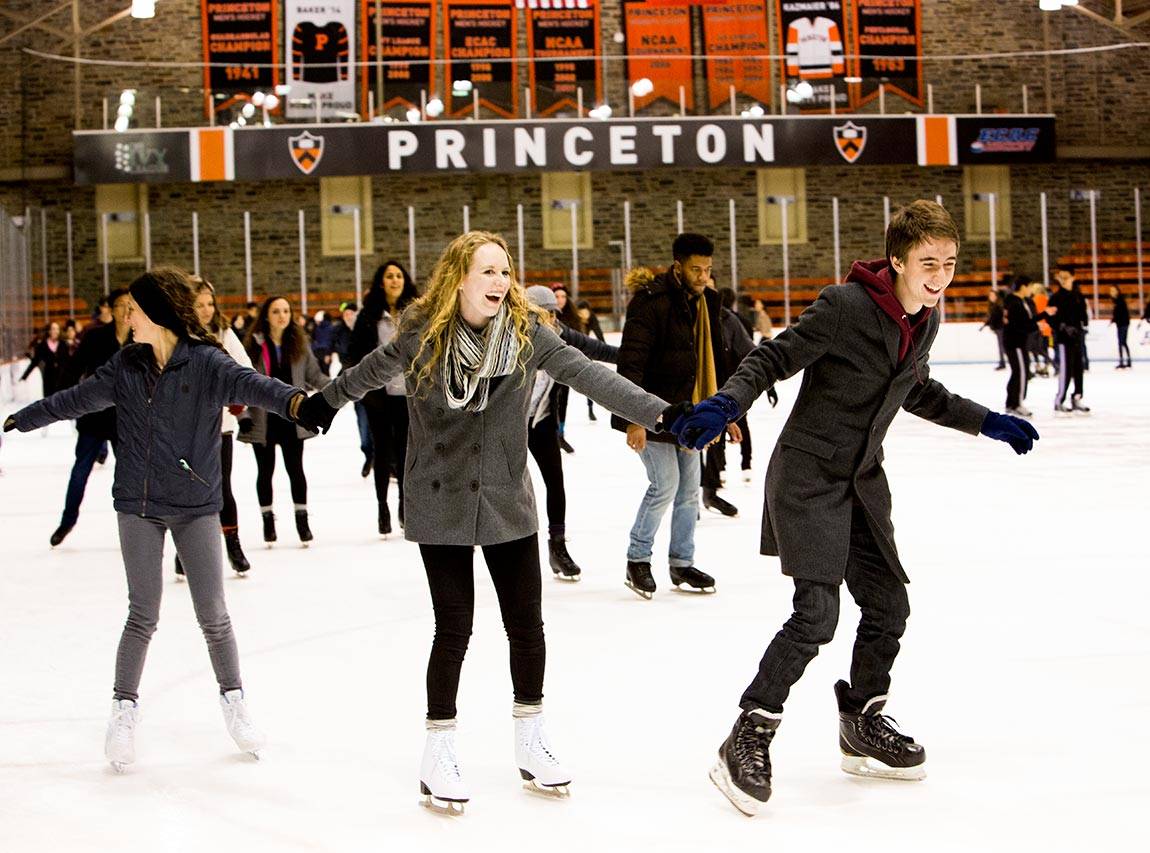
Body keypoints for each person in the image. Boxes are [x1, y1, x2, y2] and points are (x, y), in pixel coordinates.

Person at [670, 201, 1040, 816]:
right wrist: (727, 404)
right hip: (810, 476)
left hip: (862, 481)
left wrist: (988, 423)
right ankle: (748, 734)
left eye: (950, 263)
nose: (941, 274)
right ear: (897, 260)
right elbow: (772, 357)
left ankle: (862, 721)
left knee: (890, 603)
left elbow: (916, 389)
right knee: (816, 615)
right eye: (928, 262)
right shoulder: (844, 308)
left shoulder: (927, 316)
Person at [295, 231, 682, 814]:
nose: (501, 282)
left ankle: (531, 739)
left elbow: (593, 377)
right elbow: (365, 373)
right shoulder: (421, 335)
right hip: (439, 498)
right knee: (454, 627)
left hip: (506, 496)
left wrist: (665, 415)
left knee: (526, 625)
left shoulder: (528, 336)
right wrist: (322, 403)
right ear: (460, 279)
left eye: (505, 271)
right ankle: (439, 748)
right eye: (488, 272)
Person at [3, 267, 309, 772]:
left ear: (158, 313)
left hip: (195, 505)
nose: (127, 316)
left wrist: (296, 402)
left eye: (135, 309)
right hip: (138, 505)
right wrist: (27, 416)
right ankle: (124, 708)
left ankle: (234, 703)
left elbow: (255, 385)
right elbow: (77, 400)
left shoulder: (208, 363)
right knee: (142, 612)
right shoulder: (125, 365)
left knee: (213, 613)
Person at [612, 232, 738, 599]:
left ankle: (682, 563)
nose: (702, 276)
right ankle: (638, 559)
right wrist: (633, 418)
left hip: (694, 411)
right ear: (678, 267)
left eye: (708, 269)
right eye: (695, 269)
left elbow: (715, 357)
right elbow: (631, 361)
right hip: (654, 412)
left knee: (687, 492)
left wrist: (723, 411)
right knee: (664, 486)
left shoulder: (708, 302)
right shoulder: (650, 302)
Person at [525, 284, 621, 580]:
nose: (550, 320)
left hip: (541, 421)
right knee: (507, 488)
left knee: (556, 481)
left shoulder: (562, 335)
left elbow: (600, 350)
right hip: (507, 425)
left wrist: (641, 355)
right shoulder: (511, 338)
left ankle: (557, 546)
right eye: (543, 314)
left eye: (554, 313)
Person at [173, 276, 256, 577]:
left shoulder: (223, 332)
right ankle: (185, 552)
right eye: (199, 304)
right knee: (190, 488)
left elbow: (244, 368)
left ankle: (233, 545)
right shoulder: (176, 336)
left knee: (222, 487)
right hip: (185, 427)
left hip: (220, 426)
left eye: (210, 303)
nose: (206, 310)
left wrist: (235, 398)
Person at [241, 296, 330, 546]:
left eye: (286, 311)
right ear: (266, 316)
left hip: (293, 419)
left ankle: (302, 521)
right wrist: (244, 415)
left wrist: (341, 389)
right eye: (276, 311)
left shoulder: (299, 346)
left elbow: (314, 376)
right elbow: (242, 382)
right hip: (263, 420)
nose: (282, 315)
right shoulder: (255, 346)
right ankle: (268, 521)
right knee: (265, 471)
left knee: (296, 469)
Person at [48, 287, 133, 547]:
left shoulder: (141, 339)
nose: (126, 310)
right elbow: (73, 369)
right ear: (109, 308)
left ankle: (134, 526)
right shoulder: (95, 337)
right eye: (120, 305)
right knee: (81, 470)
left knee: (130, 474)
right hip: (94, 416)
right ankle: (67, 521)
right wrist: (60, 402)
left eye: (131, 305)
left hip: (126, 420)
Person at [348, 261, 419, 535]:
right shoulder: (368, 316)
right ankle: (382, 507)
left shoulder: (415, 314)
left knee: (405, 453)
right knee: (381, 451)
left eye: (399, 276)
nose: (395, 280)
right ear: (381, 282)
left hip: (407, 395)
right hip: (378, 397)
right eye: (389, 276)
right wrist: (363, 390)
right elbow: (354, 355)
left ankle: (403, 505)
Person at [332, 300, 374, 477]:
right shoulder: (341, 332)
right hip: (357, 387)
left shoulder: (366, 330)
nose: (348, 316)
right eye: (345, 314)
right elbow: (346, 357)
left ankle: (386, 463)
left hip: (376, 384)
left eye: (351, 313)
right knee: (363, 426)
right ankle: (368, 454)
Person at [1002, 276, 1054, 417]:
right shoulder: (1015, 303)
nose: (1031, 290)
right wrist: (1036, 325)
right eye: (1030, 286)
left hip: (1018, 342)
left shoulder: (1019, 301)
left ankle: (1011, 403)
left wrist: (1043, 315)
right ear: (1023, 287)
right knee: (1021, 373)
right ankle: (1017, 404)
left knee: (1019, 372)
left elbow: (1025, 321)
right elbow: (1019, 325)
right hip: (1015, 343)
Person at [1049, 266, 1090, 414]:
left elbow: (1084, 315)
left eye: (1066, 276)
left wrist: (1083, 325)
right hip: (1063, 340)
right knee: (1066, 370)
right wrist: (1062, 326)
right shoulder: (1056, 297)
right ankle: (1059, 400)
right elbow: (1050, 318)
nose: (1063, 280)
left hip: (1077, 338)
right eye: (1061, 277)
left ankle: (1077, 397)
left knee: (1079, 369)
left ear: (1073, 277)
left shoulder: (1078, 295)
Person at [551, 284, 580, 453]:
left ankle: (560, 434)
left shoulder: (572, 319)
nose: (560, 300)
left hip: (567, 366)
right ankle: (553, 435)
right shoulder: (548, 317)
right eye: (557, 297)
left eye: (563, 297)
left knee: (563, 402)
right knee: (552, 402)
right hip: (550, 368)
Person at [21, 321, 71, 398]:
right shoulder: (42, 345)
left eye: (57, 329)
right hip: (49, 377)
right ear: (49, 331)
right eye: (53, 329)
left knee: (61, 400)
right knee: (49, 399)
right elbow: (35, 361)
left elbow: (69, 360)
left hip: (61, 377)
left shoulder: (63, 344)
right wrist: (25, 376)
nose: (55, 331)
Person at [574, 299, 605, 421]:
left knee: (588, 380)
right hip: (570, 348)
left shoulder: (591, 318)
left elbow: (599, 333)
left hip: (585, 350)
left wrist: (603, 349)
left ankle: (590, 409)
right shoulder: (573, 318)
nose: (584, 316)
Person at [981, 287, 1007, 369]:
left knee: (1002, 346)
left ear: (996, 296)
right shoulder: (993, 306)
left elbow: (996, 318)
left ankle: (1003, 362)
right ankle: (1002, 362)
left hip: (1001, 328)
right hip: (997, 328)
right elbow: (991, 318)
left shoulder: (999, 306)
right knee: (1002, 346)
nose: (991, 297)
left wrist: (988, 323)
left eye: (993, 295)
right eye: (990, 295)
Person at [1110, 286, 1131, 369]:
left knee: (1121, 342)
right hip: (1121, 324)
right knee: (1123, 342)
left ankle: (1123, 361)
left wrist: (1114, 319)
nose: (1111, 292)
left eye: (1113, 290)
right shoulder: (1116, 300)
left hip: (1123, 323)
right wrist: (1113, 320)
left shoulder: (1120, 300)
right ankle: (1127, 361)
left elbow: (1121, 313)